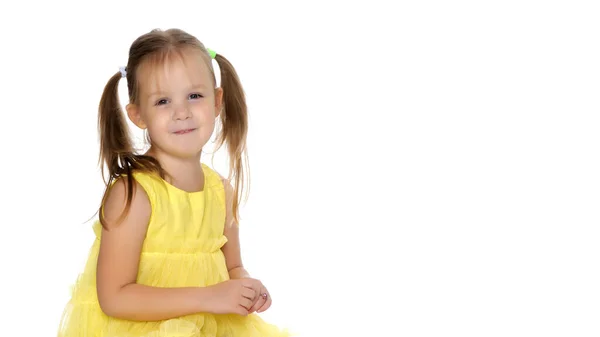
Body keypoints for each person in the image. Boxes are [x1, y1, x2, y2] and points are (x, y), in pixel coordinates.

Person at [57, 28, 291, 337]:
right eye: (163, 101)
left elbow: (233, 267)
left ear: (217, 100)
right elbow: (114, 298)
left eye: (194, 96)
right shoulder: (134, 194)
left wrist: (246, 288)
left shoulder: (221, 192)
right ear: (138, 114)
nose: (182, 112)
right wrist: (209, 296)